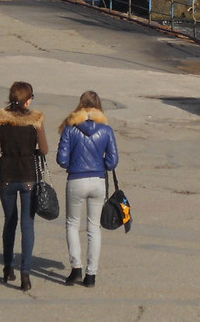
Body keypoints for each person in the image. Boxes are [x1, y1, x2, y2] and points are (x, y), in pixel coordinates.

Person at [0, 81, 49, 292]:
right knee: (27, 225)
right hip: (28, 176)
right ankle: (26, 274)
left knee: (9, 222)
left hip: (6, 176)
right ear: (27, 99)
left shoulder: (0, 121)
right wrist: (33, 153)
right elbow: (45, 149)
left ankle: (7, 267)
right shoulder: (35, 121)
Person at [56, 90, 119, 289]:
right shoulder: (106, 130)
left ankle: (76, 267)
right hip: (98, 180)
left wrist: (73, 163)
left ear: (80, 106)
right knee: (94, 227)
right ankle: (91, 275)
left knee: (72, 224)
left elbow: (61, 159)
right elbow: (113, 161)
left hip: (76, 179)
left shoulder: (70, 128)